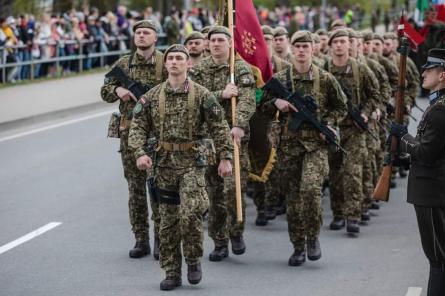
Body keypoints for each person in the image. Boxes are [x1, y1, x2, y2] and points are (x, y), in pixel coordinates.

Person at [129, 44, 233, 290]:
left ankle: (193, 259)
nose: (175, 62)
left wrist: (226, 157)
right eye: (171, 58)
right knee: (167, 222)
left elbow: (220, 128)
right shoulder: (152, 96)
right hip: (163, 165)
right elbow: (137, 127)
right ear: (165, 65)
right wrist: (139, 153)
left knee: (190, 215)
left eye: (180, 58)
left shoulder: (202, 95)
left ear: (188, 64)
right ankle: (172, 271)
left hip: (191, 164)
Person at [260, 31, 347, 266]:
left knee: (310, 190)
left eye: (305, 46)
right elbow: (261, 106)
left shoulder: (325, 78)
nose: (301, 50)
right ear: (292, 47)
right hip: (289, 145)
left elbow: (341, 107)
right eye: (297, 46)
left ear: (312, 49)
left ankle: (313, 238)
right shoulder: (281, 78)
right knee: (293, 198)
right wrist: (275, 103)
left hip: (316, 146)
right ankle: (298, 245)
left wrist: (328, 123)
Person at [189, 26, 256, 261]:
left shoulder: (238, 68)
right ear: (207, 44)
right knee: (213, 191)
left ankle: (236, 232)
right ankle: (219, 241)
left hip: (233, 136)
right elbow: (194, 99)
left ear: (230, 43)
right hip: (208, 139)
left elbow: (248, 98)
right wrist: (221, 94)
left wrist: (239, 124)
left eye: (221, 40)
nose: (216, 44)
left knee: (233, 189)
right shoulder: (199, 70)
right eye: (213, 40)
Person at [100, 20, 165, 259]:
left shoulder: (164, 63)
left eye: (146, 33)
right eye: (138, 33)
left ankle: (161, 237)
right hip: (130, 135)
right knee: (136, 190)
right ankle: (141, 239)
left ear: (155, 38)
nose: (141, 36)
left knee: (158, 189)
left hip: (158, 136)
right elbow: (105, 89)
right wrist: (117, 91)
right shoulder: (124, 64)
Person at [389, 48, 445, 296]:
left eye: (429, 69)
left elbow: (426, 152)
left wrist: (403, 137)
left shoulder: (440, 109)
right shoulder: (437, 105)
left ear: (442, 75)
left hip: (431, 192)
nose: (423, 73)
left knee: (437, 257)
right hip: (431, 189)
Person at [324, 29, 380, 234]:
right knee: (335, 174)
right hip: (332, 129)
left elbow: (375, 95)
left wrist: (365, 114)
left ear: (350, 44)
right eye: (335, 42)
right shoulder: (323, 69)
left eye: (343, 41)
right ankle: (338, 213)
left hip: (355, 130)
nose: (339, 45)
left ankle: (353, 216)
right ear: (330, 46)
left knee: (353, 173)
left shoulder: (360, 69)